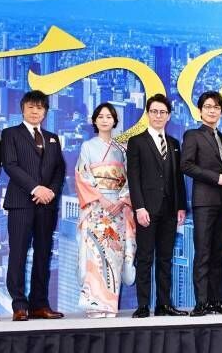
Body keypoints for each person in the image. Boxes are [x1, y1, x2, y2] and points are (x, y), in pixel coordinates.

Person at [2, 90, 65, 321]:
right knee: (18, 253)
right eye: (31, 107)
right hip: (21, 203)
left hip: (46, 205)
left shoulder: (52, 138)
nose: (35, 111)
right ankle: (19, 305)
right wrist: (36, 188)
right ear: (23, 109)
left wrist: (51, 192)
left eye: (40, 107)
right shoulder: (10, 134)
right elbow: (10, 165)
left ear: (45, 112)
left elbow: (59, 169)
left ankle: (40, 304)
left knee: (43, 254)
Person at [180, 91, 222, 316]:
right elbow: (186, 165)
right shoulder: (193, 135)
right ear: (200, 111)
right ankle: (201, 303)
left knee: (220, 254)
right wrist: (215, 178)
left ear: (221, 112)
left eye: (216, 107)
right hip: (204, 203)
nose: (212, 110)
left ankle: (218, 301)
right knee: (203, 253)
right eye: (208, 106)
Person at [127, 93, 188, 318]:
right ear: (147, 114)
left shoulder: (173, 143)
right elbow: (133, 177)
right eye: (154, 111)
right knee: (145, 258)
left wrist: (181, 206)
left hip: (170, 210)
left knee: (165, 259)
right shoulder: (136, 141)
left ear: (169, 116)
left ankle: (164, 304)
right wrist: (139, 207)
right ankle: (143, 305)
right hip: (147, 210)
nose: (158, 116)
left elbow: (178, 177)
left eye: (162, 112)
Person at [75, 103, 136, 318]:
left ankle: (110, 306)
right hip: (96, 209)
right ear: (94, 120)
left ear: (114, 121)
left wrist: (122, 200)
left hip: (118, 209)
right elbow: (82, 176)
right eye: (100, 116)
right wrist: (101, 199)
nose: (104, 120)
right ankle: (94, 304)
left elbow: (131, 177)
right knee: (95, 256)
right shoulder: (87, 147)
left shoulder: (122, 148)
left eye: (109, 117)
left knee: (114, 256)